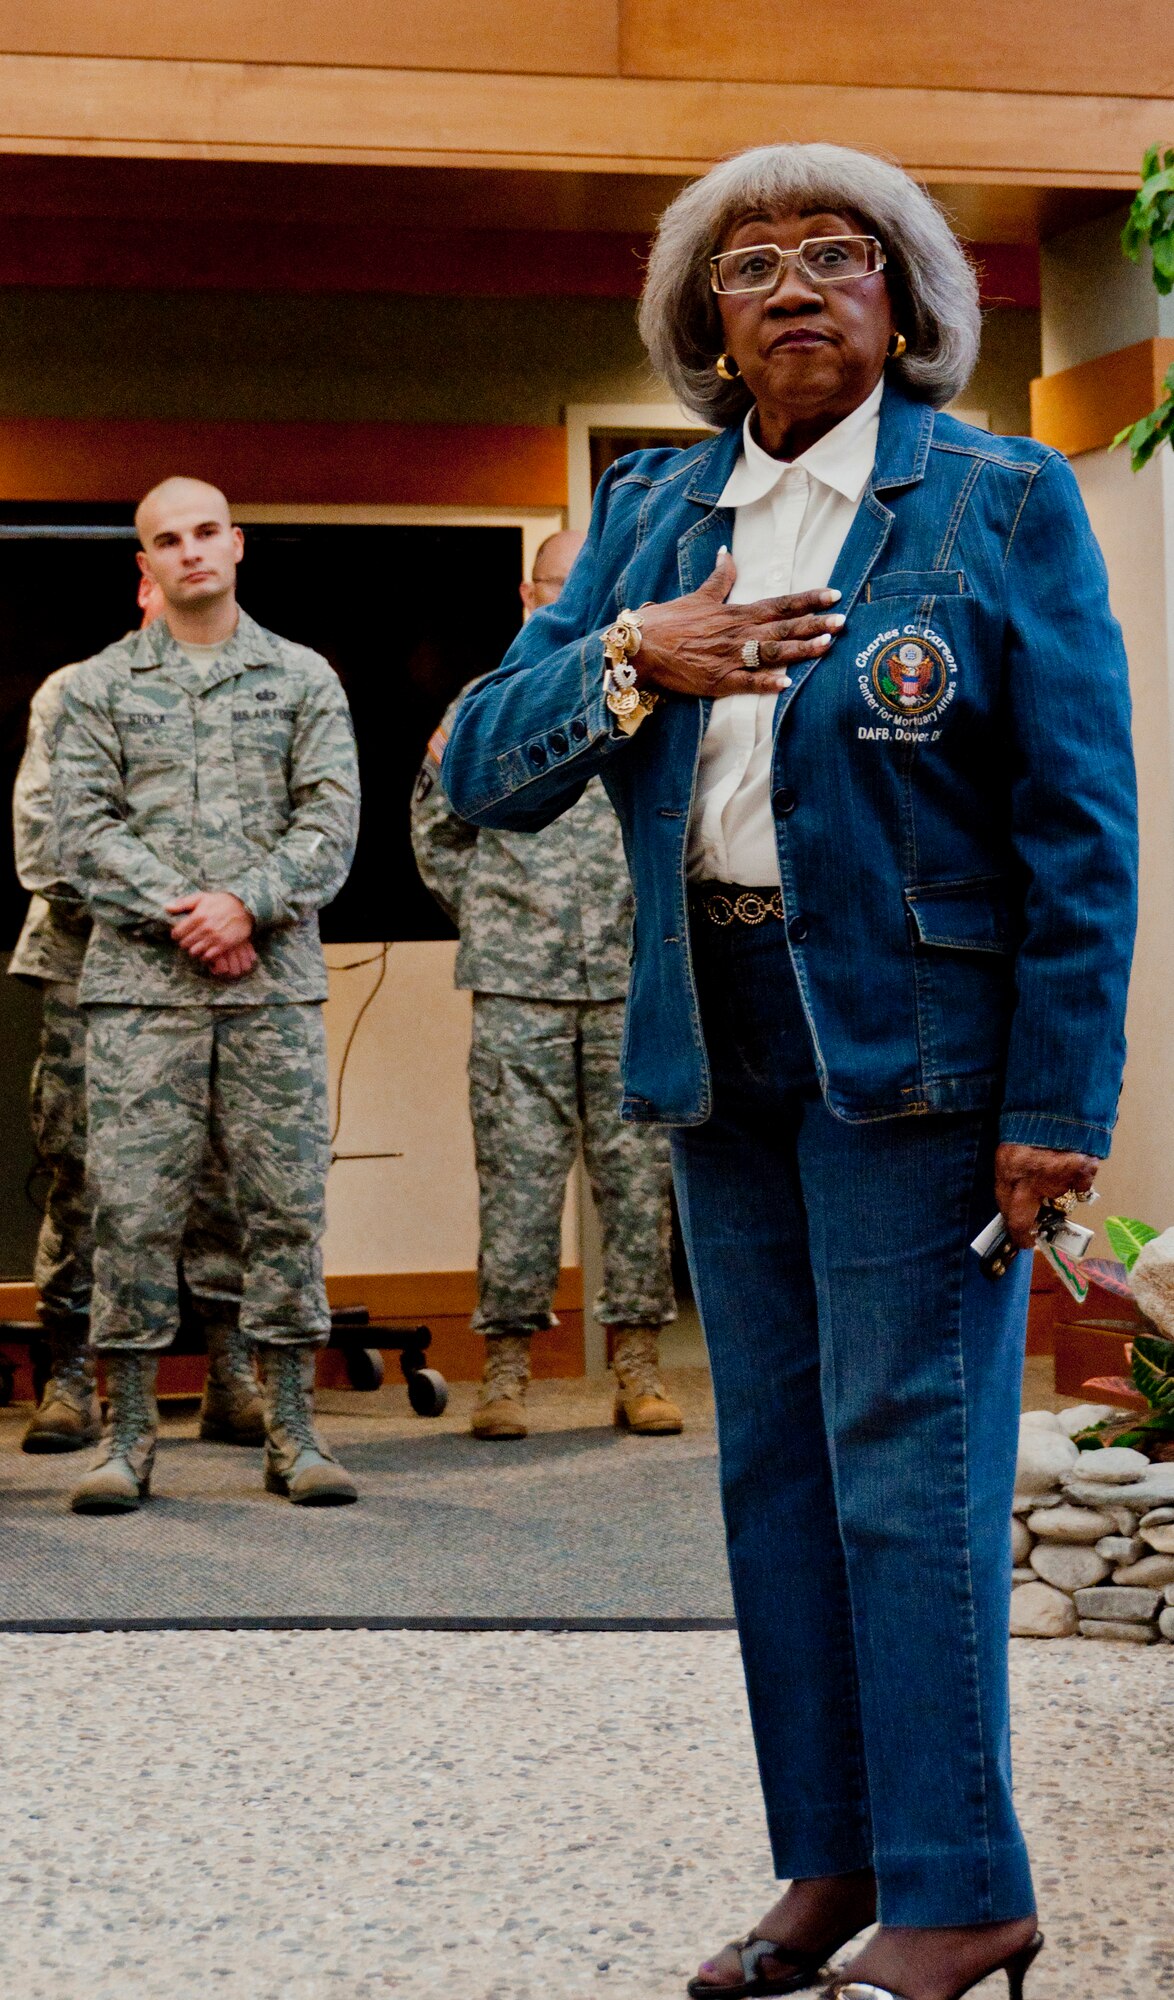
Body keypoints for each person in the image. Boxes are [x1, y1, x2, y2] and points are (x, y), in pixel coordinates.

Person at [440, 144, 1137, 2000]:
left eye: (839, 255)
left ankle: (959, 1888)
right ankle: (826, 1866)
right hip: (712, 1046)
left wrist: (1055, 1108)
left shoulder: (990, 496)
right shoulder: (653, 515)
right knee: (770, 1477)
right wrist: (625, 658)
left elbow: (1079, 821)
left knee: (906, 1475)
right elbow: (476, 769)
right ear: (704, 330)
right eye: (748, 268)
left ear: (901, 303)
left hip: (914, 1058)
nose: (797, 285)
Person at [55, 476, 361, 1513]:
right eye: (166, 541)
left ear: (238, 544)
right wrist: (192, 913)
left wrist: (248, 905)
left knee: (285, 1210)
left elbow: (329, 824)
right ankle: (128, 1435)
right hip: (142, 996)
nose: (189, 552)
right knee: (133, 1213)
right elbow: (82, 834)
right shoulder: (97, 686)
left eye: (204, 533)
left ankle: (292, 1429)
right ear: (144, 566)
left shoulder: (304, 677)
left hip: (270, 993)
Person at [411, 531, 679, 1440]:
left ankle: (638, 1366)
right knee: (517, 1184)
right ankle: (506, 1372)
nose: (572, 605)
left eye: (589, 590)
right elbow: (437, 829)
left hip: (628, 978)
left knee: (639, 1181)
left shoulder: (651, 694)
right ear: (530, 599)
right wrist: (494, 913)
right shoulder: (487, 707)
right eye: (557, 591)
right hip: (516, 987)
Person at [9, 572, 263, 1455]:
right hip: (91, 973)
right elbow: (48, 847)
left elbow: (284, 837)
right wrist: (187, 917)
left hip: (223, 980)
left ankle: (232, 1370)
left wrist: (239, 913)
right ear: (144, 590)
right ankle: (72, 1376)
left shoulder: (258, 697)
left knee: (225, 1175)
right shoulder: (78, 693)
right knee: (86, 1176)